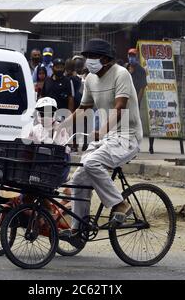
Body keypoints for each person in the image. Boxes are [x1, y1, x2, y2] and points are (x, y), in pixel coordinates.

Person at [57, 38, 143, 248]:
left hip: (127, 136)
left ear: (105, 59)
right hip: (107, 137)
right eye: (87, 57)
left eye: (92, 57)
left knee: (91, 162)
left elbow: (120, 106)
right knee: (78, 179)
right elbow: (84, 108)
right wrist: (60, 126)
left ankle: (120, 204)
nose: (89, 61)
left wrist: (102, 130)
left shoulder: (121, 74)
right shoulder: (90, 79)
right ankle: (78, 229)